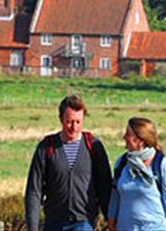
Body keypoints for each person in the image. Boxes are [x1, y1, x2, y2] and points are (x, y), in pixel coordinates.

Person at [25, 94, 113, 231]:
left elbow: (105, 186)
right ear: (61, 119)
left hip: (84, 222)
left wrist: (111, 220)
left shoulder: (94, 147)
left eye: (78, 122)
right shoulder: (46, 147)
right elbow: (34, 190)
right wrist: (33, 226)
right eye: (69, 121)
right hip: (54, 223)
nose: (74, 127)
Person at [107, 117, 166, 231]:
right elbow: (115, 194)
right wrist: (111, 218)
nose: (124, 137)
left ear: (140, 139)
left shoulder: (161, 165)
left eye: (128, 134)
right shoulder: (122, 163)